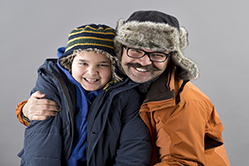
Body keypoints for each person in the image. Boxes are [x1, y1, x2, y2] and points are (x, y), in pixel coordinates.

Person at [16, 10, 230, 165]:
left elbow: (181, 162)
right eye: (136, 51)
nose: (144, 62)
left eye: (157, 54)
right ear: (121, 53)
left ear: (171, 58)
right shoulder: (126, 84)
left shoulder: (184, 101)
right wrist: (26, 110)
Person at [17, 24, 152, 166]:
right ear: (70, 63)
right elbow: (41, 141)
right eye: (83, 63)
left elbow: (134, 146)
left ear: (114, 68)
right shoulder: (53, 84)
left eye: (102, 65)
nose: (92, 72)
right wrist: (25, 110)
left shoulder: (126, 95)